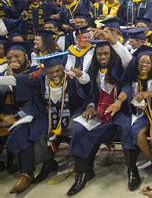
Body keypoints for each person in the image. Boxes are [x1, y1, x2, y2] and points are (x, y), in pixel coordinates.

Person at [2, 50, 89, 193]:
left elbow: (87, 91)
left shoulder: (72, 80)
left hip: (70, 115)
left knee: (76, 128)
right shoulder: (41, 80)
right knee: (21, 130)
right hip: (47, 116)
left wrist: (82, 78)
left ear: (63, 68)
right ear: (45, 72)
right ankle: (27, 173)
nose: (55, 75)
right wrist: (18, 116)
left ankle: (77, 169)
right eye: (50, 72)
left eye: (58, 71)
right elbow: (26, 90)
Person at [66, 28, 135, 195]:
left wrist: (118, 102)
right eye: (99, 55)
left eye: (106, 54)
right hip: (99, 114)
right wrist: (90, 106)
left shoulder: (120, 66)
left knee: (128, 129)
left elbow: (129, 68)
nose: (103, 57)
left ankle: (132, 171)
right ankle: (82, 173)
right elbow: (89, 94)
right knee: (78, 129)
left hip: (120, 112)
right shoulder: (93, 71)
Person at [120, 45, 152, 184]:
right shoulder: (132, 77)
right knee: (137, 133)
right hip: (141, 114)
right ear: (137, 63)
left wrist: (148, 94)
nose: (145, 65)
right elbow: (126, 90)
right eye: (142, 62)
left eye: (148, 62)